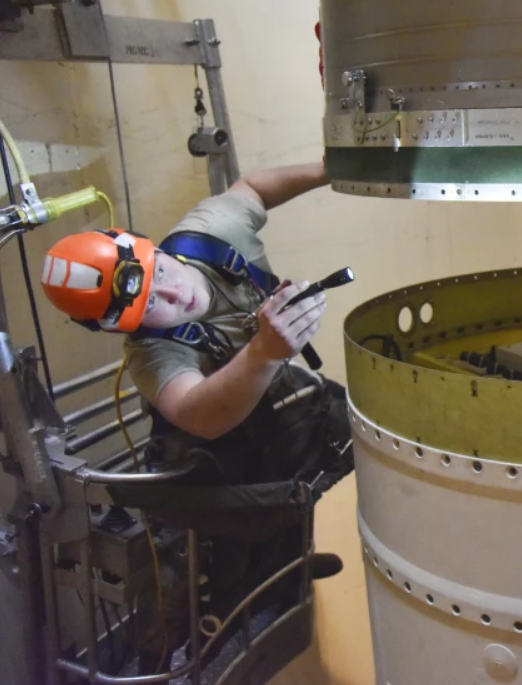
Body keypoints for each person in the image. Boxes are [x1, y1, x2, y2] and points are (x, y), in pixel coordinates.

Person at [39, 162, 353, 671]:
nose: (172, 294)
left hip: (271, 422)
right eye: (149, 307)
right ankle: (201, 639)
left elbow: (250, 188)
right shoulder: (151, 355)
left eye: (158, 274)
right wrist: (262, 353)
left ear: (155, 250)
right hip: (211, 459)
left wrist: (328, 168)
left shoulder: (211, 236)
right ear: (126, 327)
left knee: (289, 501)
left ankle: (285, 577)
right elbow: (196, 414)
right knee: (220, 559)